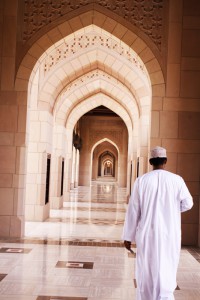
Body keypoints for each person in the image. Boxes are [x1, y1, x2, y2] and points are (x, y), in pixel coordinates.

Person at [122, 146, 193, 300]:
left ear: (150, 162)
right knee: (167, 265)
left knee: (146, 269)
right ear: (165, 161)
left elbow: (134, 211)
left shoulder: (141, 181)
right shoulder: (177, 180)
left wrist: (128, 236)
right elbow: (188, 203)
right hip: (170, 234)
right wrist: (173, 210)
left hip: (147, 234)